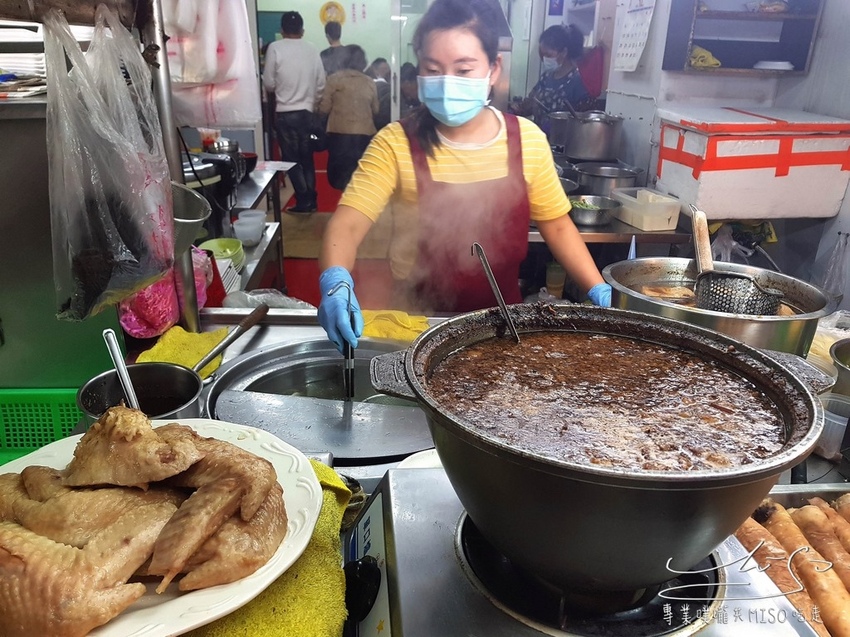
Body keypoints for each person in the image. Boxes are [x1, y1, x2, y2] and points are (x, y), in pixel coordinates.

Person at [317, 0, 611, 352]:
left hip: (503, 326)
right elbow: (347, 225)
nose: (447, 83)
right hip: (417, 324)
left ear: (493, 68)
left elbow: (559, 226)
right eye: (433, 68)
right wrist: (336, 282)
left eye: (463, 69)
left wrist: (599, 290)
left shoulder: (527, 140)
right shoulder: (395, 142)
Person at [263, 11, 325, 213]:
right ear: (302, 30)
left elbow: (269, 84)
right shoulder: (312, 49)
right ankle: (312, 199)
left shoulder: (275, 48)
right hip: (307, 114)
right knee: (307, 158)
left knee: (291, 160)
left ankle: (304, 201)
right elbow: (321, 83)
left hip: (285, 114)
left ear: (282, 31)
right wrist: (312, 103)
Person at [318, 45, 379, 191]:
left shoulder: (334, 80)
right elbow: (376, 109)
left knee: (338, 178)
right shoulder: (369, 82)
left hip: (339, 135)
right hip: (364, 136)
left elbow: (324, 108)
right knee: (360, 178)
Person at [514, 24, 593, 130]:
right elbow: (530, 103)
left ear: (564, 52)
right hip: (541, 139)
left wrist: (556, 127)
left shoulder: (578, 82)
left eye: (548, 55)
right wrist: (517, 110)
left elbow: (583, 123)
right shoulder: (546, 77)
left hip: (564, 143)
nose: (545, 59)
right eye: (542, 55)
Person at [366, 57, 391, 130]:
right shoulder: (381, 87)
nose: (387, 71)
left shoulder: (391, 87)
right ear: (375, 70)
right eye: (384, 69)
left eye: (388, 68)